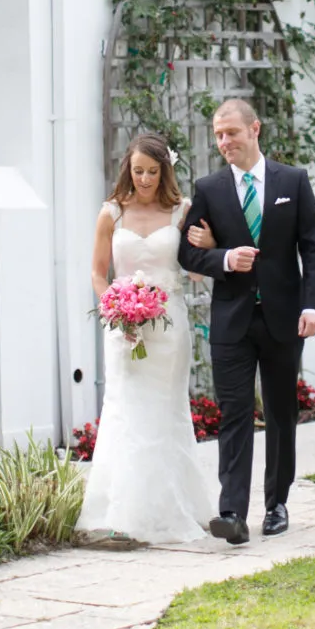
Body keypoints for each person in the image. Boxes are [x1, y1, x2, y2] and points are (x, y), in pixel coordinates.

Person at [178, 98, 315, 545]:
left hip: (285, 319)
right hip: (232, 322)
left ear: (254, 129)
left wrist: (313, 306)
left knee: (282, 412)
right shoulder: (209, 188)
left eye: (232, 133)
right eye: (218, 135)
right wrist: (223, 257)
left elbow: (312, 247)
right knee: (234, 414)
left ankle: (276, 504)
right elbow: (186, 252)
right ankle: (232, 513)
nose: (224, 142)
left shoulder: (293, 181)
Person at [76, 132, 214, 545]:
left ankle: (173, 507)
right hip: (123, 326)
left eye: (153, 172)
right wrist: (114, 308)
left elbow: (196, 267)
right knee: (125, 409)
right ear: (128, 169)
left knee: (165, 411)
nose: (145, 179)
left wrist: (210, 244)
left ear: (164, 170)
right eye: (138, 171)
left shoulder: (181, 210)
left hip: (168, 324)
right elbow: (99, 273)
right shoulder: (111, 213)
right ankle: (121, 510)